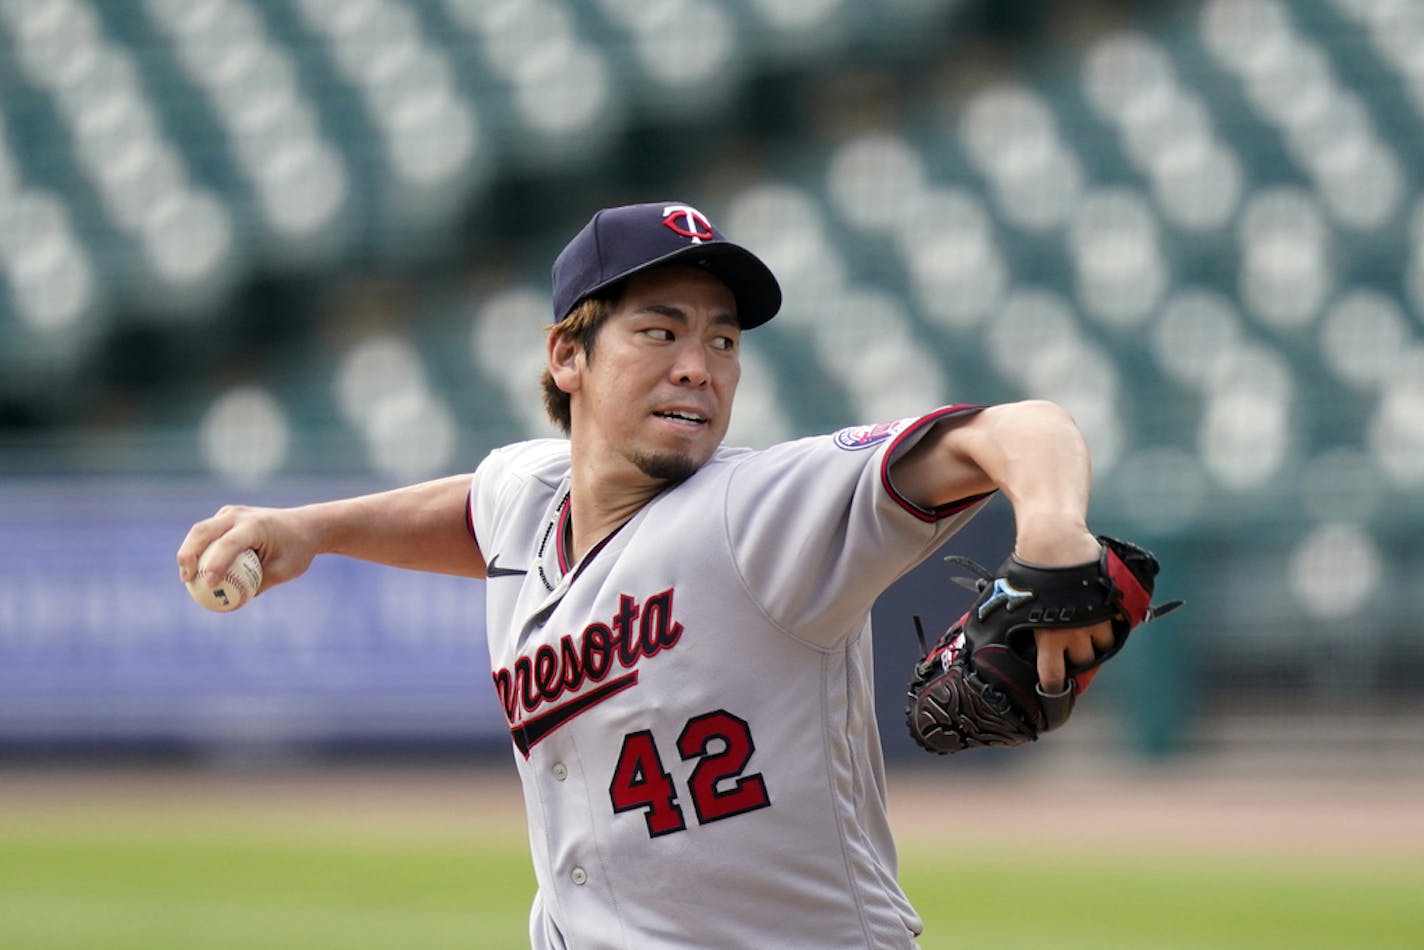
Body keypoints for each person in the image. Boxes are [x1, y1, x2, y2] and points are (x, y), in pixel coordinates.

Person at [177, 200, 1115, 949]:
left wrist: (1055, 531)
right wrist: (308, 528)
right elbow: (475, 511)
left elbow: (1020, 429)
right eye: (660, 333)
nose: (699, 368)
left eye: (722, 341)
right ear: (567, 356)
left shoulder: (761, 512)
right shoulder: (529, 496)